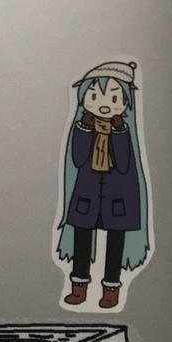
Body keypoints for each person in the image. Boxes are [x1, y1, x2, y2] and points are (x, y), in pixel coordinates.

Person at [56, 61, 150, 309]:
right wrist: (85, 129)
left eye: (114, 98)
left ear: (126, 101)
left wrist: (118, 132)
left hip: (117, 194)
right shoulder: (82, 127)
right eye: (95, 96)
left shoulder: (125, 131)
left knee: (115, 242)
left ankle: (111, 290)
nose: (104, 104)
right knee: (81, 238)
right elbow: (78, 158)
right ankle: (79, 287)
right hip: (87, 192)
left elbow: (124, 163)